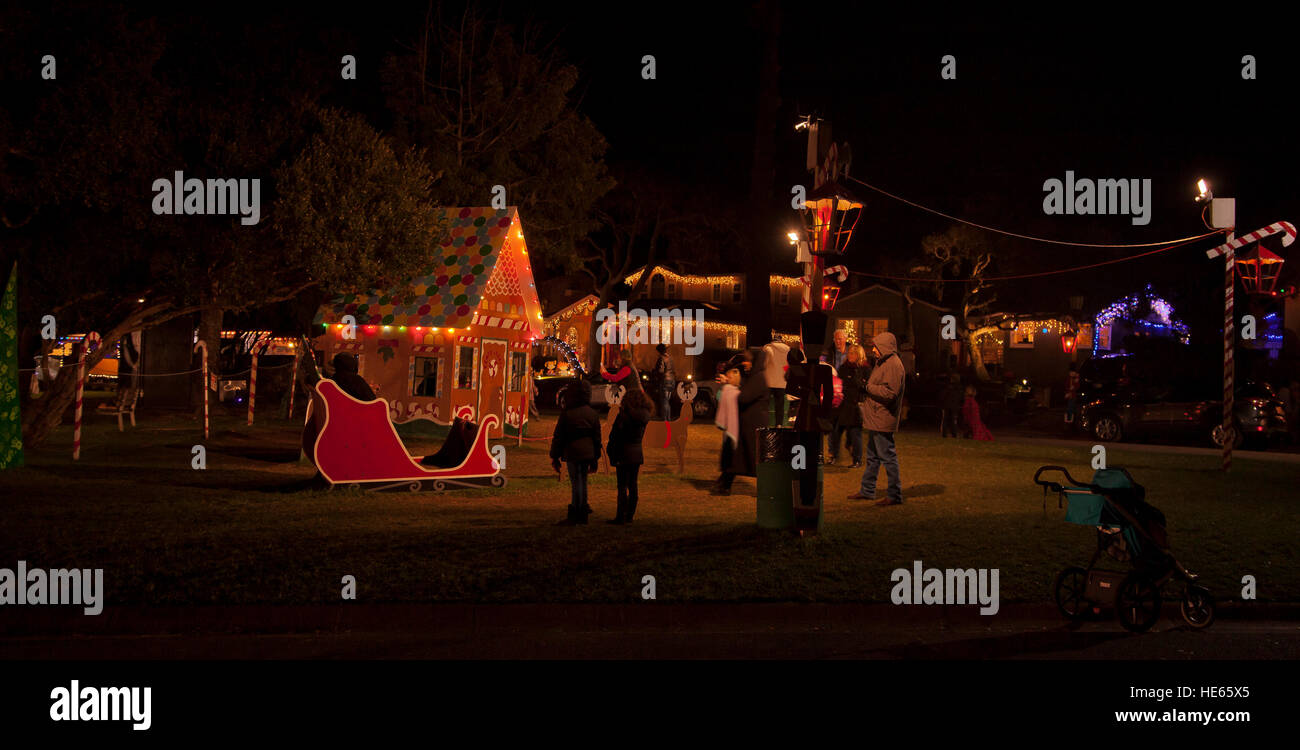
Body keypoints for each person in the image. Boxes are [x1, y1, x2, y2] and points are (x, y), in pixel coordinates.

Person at [848, 332, 905, 506]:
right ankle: (867, 490)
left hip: (883, 416)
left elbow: (890, 393)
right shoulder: (884, 363)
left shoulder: (893, 365)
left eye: (876, 347)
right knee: (873, 456)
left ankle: (894, 495)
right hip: (877, 416)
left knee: (887, 457)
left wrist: (867, 387)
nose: (873, 350)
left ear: (885, 347)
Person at [711, 349, 769, 495]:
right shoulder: (754, 377)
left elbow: (744, 397)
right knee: (737, 458)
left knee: (751, 459)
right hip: (746, 426)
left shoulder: (759, 378)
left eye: (748, 360)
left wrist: (731, 389)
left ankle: (765, 489)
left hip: (753, 427)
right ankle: (724, 485)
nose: (745, 363)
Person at [550, 380, 602, 525]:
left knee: (576, 483)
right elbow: (597, 438)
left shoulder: (567, 414)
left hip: (572, 451)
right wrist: (595, 458)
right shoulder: (592, 414)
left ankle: (575, 512)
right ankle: (582, 512)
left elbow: (559, 436)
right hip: (587, 452)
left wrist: (555, 456)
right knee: (583, 482)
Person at [606, 388, 652, 524]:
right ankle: (630, 515)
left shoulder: (624, 416)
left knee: (622, 486)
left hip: (623, 452)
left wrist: (611, 451)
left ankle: (620, 516)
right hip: (636, 453)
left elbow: (614, 435)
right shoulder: (645, 415)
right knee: (633, 485)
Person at [830, 344, 867, 467]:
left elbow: (865, 387)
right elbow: (839, 383)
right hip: (842, 404)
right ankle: (833, 456)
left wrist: (858, 382)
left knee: (855, 433)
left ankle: (857, 460)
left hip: (855, 405)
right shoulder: (843, 368)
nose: (850, 355)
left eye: (853, 353)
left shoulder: (864, 368)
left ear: (858, 355)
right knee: (835, 432)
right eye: (849, 352)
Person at [762, 340, 791, 425]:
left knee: (766, 404)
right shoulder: (788, 349)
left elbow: (765, 363)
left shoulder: (768, 349)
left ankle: (765, 423)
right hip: (782, 381)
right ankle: (779, 424)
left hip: (769, 380)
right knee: (780, 405)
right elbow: (788, 365)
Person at [649, 343, 676, 421]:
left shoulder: (661, 358)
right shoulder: (670, 358)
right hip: (672, 381)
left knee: (664, 401)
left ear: (659, 351)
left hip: (665, 381)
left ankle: (665, 419)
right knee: (667, 401)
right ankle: (668, 418)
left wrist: (654, 372)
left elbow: (660, 371)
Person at [940, 372, 963, 438]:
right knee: (953, 420)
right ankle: (954, 433)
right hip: (954, 406)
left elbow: (942, 395)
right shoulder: (959, 387)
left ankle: (944, 434)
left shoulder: (947, 386)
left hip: (947, 405)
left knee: (945, 420)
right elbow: (960, 397)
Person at [1063, 363, 1081, 431]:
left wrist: (1075, 384)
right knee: (1068, 409)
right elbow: (1066, 387)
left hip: (1073, 396)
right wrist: (1067, 392)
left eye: (1073, 372)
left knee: (1071, 409)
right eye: (1071, 372)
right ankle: (1068, 422)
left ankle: (1070, 422)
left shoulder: (1075, 380)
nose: (1072, 373)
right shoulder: (1068, 379)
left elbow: (1076, 387)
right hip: (1068, 396)